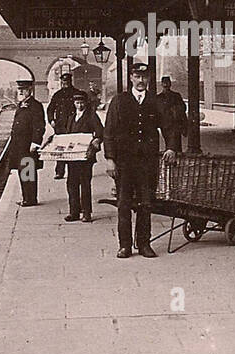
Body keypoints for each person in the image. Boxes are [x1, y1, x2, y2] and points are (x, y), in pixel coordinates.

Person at [104, 62, 176, 259]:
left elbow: (169, 126)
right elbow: (108, 132)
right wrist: (110, 159)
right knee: (124, 203)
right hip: (124, 162)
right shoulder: (119, 101)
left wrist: (171, 147)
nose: (141, 80)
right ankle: (124, 246)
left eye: (144, 77)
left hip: (147, 162)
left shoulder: (156, 101)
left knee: (146, 202)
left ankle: (144, 244)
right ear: (131, 79)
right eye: (137, 76)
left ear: (149, 79)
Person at [58, 90, 104, 222]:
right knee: (71, 184)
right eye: (77, 103)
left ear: (85, 103)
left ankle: (86, 212)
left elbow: (101, 131)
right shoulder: (71, 118)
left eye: (82, 103)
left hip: (85, 157)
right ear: (74, 104)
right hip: (72, 157)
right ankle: (74, 212)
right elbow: (67, 135)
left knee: (85, 184)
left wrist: (97, 140)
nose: (79, 105)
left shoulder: (91, 116)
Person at [7, 79, 46, 206]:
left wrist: (35, 142)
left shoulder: (35, 105)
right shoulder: (21, 104)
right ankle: (26, 197)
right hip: (19, 145)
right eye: (19, 90)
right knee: (22, 170)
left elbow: (39, 126)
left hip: (28, 145)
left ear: (30, 90)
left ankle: (30, 199)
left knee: (28, 171)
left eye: (23, 90)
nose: (21, 92)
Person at [47, 71, 78, 180]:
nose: (65, 83)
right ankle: (59, 172)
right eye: (64, 81)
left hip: (73, 125)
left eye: (67, 81)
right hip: (60, 125)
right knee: (60, 148)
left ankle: (73, 172)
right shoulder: (57, 95)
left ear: (70, 81)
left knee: (72, 148)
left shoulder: (76, 93)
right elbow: (50, 109)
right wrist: (51, 120)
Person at [156, 75, 187, 154]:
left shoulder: (176, 96)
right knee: (169, 142)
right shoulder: (158, 98)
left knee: (175, 143)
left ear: (170, 84)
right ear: (162, 84)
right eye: (164, 83)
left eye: (167, 83)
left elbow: (182, 108)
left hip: (175, 123)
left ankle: (176, 160)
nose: (166, 85)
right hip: (165, 124)